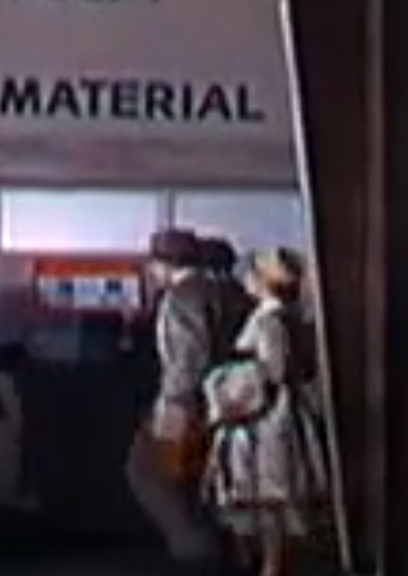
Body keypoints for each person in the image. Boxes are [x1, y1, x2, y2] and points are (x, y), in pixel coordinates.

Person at [201, 248, 329, 576]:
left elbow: (273, 369)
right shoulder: (290, 316)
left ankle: (271, 569)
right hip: (279, 413)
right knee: (271, 504)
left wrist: (225, 384)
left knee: (269, 502)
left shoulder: (270, 320)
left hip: (268, 420)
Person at [126, 228, 223, 570]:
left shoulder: (181, 298)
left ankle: (195, 555)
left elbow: (188, 359)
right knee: (196, 484)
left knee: (150, 474)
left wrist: (171, 408)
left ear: (164, 263)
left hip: (184, 406)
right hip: (219, 402)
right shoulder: (222, 291)